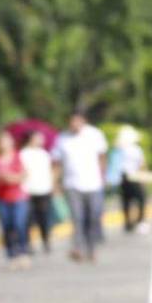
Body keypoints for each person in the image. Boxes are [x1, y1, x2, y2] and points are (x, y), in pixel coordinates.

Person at [52, 110, 108, 262]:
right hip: (72, 184)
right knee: (77, 218)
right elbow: (57, 162)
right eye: (71, 121)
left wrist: (103, 176)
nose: (74, 124)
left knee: (94, 215)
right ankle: (78, 248)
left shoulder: (95, 135)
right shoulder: (62, 138)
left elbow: (102, 156)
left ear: (84, 121)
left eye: (77, 121)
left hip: (94, 183)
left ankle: (92, 248)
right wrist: (55, 183)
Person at [0, 130, 30, 269]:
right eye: (1, 141)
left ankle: (23, 252)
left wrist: (9, 177)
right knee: (7, 226)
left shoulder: (18, 156)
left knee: (19, 224)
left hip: (19, 197)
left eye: (6, 140)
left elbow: (24, 175)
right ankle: (11, 254)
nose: (3, 144)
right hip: (1, 197)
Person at [20, 129, 55, 254]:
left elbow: (49, 171)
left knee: (44, 218)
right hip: (28, 190)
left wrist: (52, 186)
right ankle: (29, 243)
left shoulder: (44, 154)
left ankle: (45, 240)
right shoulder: (23, 154)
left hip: (43, 189)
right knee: (28, 219)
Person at [115, 124, 148, 232]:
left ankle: (128, 223)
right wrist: (143, 178)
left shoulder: (119, 150)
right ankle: (140, 220)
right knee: (141, 199)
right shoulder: (135, 149)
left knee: (126, 201)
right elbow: (142, 164)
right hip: (134, 177)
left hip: (124, 177)